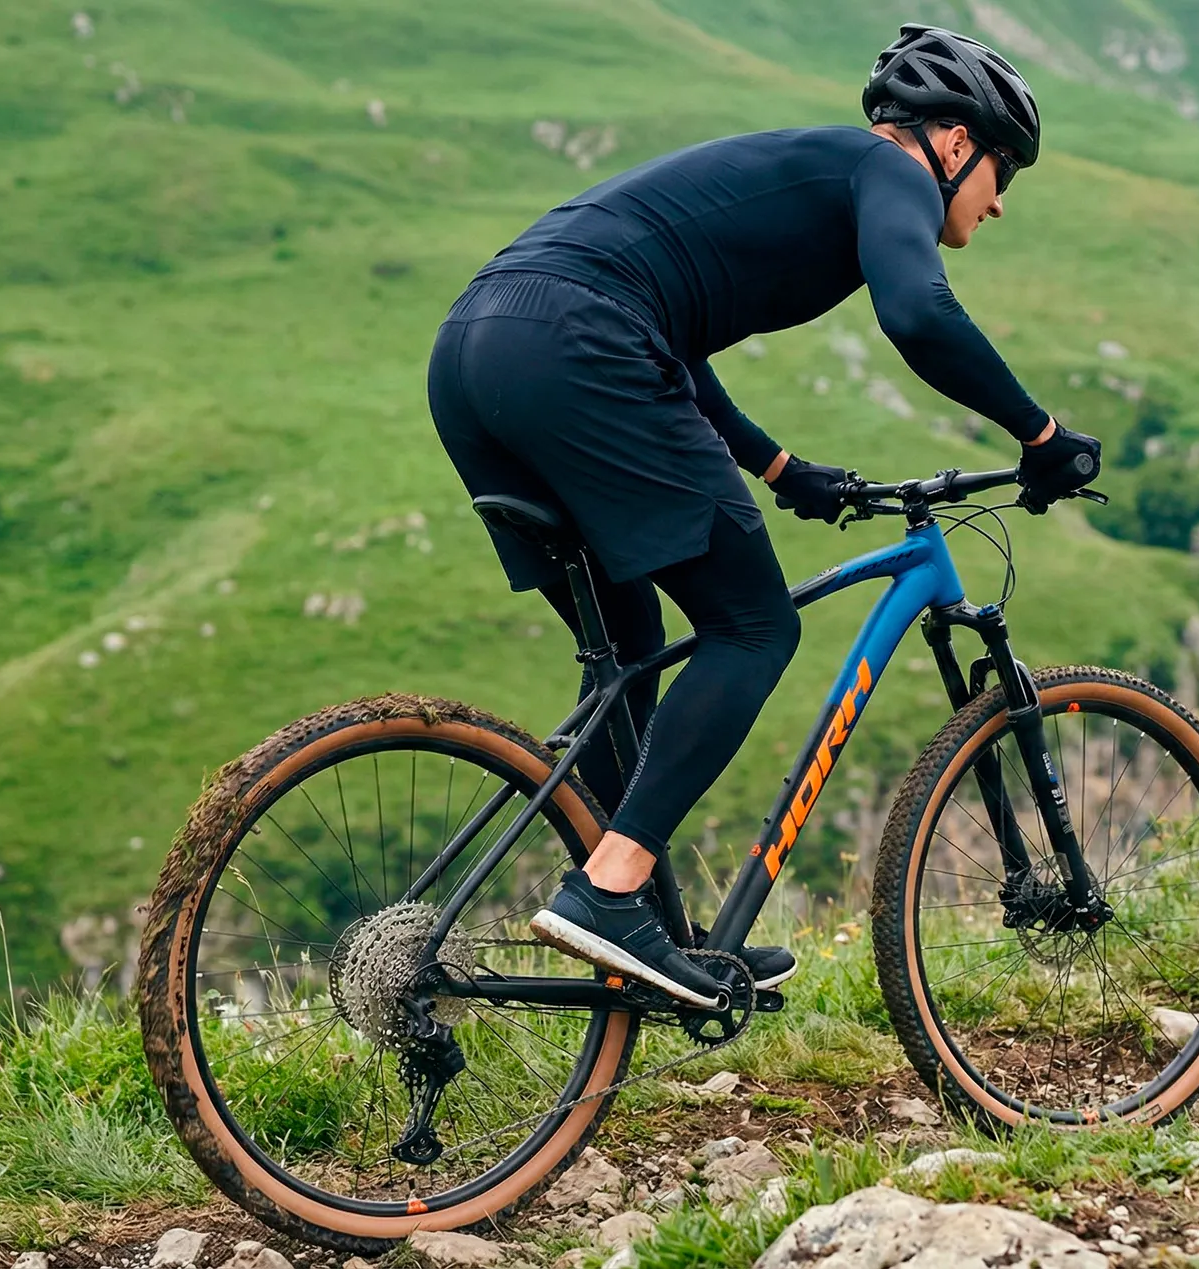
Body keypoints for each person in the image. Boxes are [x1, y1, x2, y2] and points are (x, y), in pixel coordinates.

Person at [426, 24, 1103, 1006]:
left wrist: (782, 468)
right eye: (1004, 171)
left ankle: (639, 926)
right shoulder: (889, 170)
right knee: (752, 626)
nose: (998, 202)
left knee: (628, 655)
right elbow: (918, 313)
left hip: (475, 348)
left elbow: (672, 341)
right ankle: (607, 892)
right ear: (955, 143)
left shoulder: (812, 172)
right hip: (579, 341)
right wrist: (1040, 435)